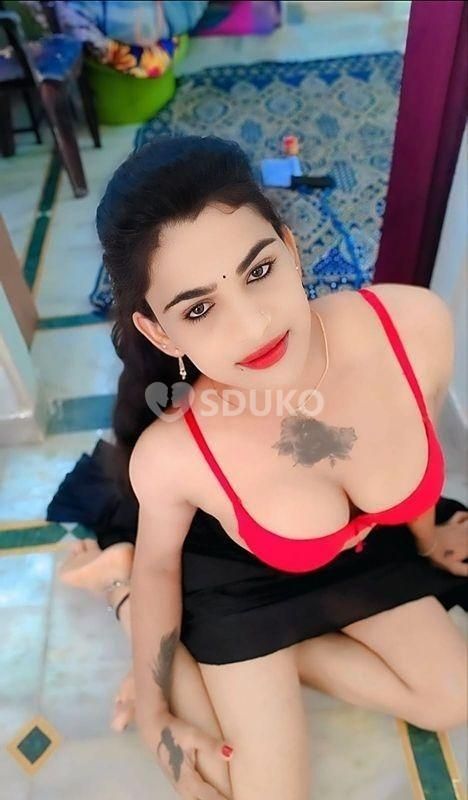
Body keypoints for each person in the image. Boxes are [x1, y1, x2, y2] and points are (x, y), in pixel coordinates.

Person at [61, 135, 467, 800]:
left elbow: (415, 428)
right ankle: (118, 587)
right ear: (161, 332)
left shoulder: (414, 326)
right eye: (198, 309)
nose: (253, 327)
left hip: (355, 556)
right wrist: (157, 713)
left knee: (454, 696)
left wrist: (427, 535)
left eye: (258, 271)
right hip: (236, 584)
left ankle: (291, 653)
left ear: (290, 247)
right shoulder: (175, 452)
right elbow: (163, 569)